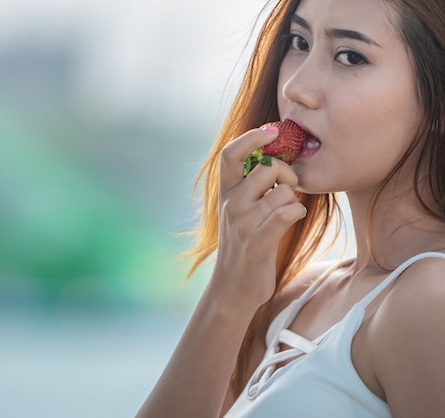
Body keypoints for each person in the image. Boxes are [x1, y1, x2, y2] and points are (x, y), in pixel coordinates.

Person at [136, 0, 445, 416]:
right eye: (299, 42)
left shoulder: (431, 301)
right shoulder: (297, 297)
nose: (295, 87)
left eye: (350, 56)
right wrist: (229, 292)